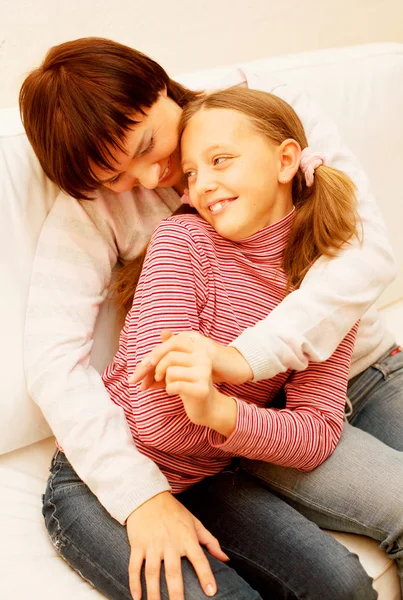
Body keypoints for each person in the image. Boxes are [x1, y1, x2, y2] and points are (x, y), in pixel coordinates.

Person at [19, 37, 399, 600]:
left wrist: (238, 373)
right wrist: (144, 497)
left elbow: (362, 254)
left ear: (159, 86)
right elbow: (61, 365)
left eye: (147, 145)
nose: (150, 181)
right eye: (116, 177)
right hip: (203, 434)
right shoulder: (174, 237)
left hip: (347, 373)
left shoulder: (263, 116)